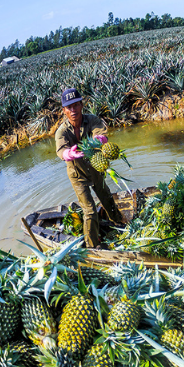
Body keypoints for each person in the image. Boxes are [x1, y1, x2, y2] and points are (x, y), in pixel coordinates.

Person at [55, 88, 123, 249]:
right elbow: (60, 150)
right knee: (90, 210)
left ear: (81, 105)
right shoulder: (62, 131)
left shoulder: (91, 119)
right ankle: (92, 246)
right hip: (77, 174)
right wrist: (68, 154)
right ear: (64, 110)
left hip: (95, 168)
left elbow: (101, 132)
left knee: (106, 196)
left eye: (76, 105)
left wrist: (100, 139)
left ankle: (118, 222)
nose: (73, 110)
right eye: (69, 107)